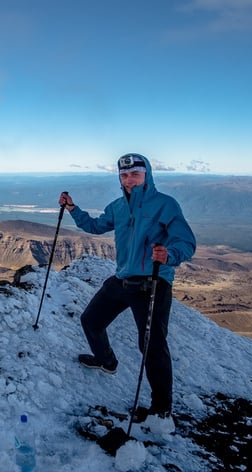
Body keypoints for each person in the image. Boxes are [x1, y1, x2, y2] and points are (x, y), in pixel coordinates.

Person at [58, 153, 196, 419]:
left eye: (135, 174)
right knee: (91, 320)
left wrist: (169, 254)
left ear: (147, 175)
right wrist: (73, 209)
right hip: (123, 280)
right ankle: (106, 361)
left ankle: (161, 409)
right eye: (124, 175)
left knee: (152, 347)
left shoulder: (165, 205)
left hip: (153, 283)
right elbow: (96, 226)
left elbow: (186, 242)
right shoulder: (118, 207)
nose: (129, 180)